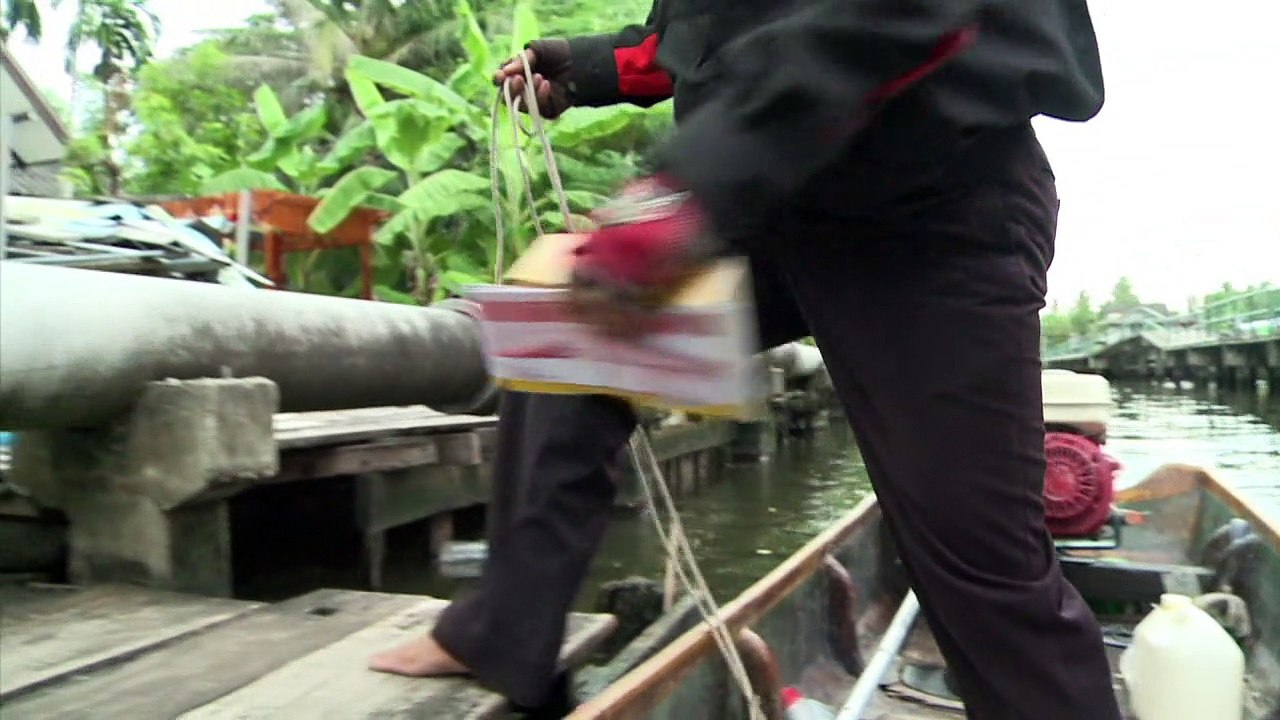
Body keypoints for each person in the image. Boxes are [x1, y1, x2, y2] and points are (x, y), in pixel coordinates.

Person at [370, 1, 1123, 718]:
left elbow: (894, 20)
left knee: (977, 562)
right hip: (766, 201)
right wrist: (595, 68)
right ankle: (504, 634)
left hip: (928, 208)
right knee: (568, 340)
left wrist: (685, 191)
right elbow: (725, 28)